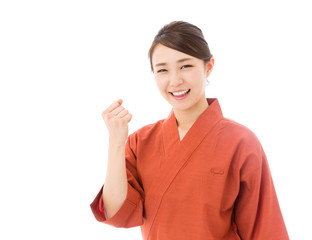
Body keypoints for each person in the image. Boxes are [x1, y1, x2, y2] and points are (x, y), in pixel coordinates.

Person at [90, 21, 289, 240]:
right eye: (163, 70)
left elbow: (264, 228)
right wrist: (116, 142)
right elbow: (116, 211)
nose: (175, 81)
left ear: (208, 66)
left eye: (185, 66)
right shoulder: (141, 142)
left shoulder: (242, 142)